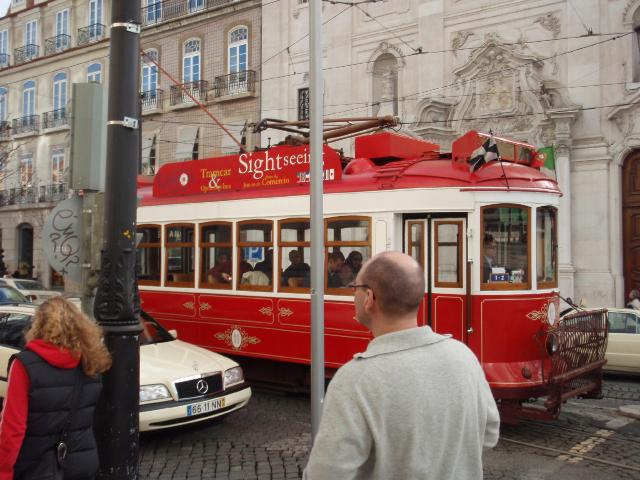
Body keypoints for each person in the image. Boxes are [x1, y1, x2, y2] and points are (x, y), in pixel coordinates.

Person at [303, 251, 500, 480]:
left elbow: (325, 475)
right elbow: (489, 435)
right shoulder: (464, 357)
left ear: (369, 297)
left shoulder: (354, 380)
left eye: (354, 287)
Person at [0, 297, 112, 480]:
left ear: (39, 325)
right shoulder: (91, 363)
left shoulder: (25, 365)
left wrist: (3, 471)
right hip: (82, 461)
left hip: (36, 465)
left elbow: (12, 428)